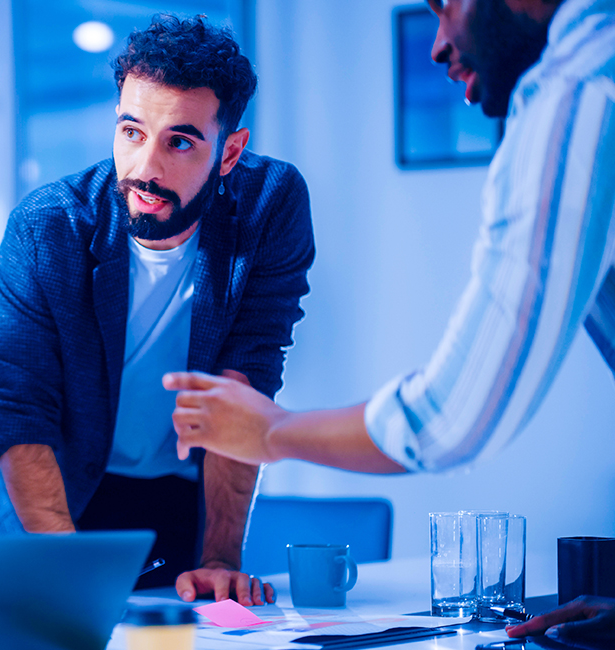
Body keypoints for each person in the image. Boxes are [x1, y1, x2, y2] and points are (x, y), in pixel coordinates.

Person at [165, 0, 615, 642]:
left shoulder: (579, 93)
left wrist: (272, 432)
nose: (437, 43)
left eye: (446, 4)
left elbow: (448, 420)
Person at [0, 14, 314, 605]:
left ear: (229, 152)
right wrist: (68, 573)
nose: (146, 167)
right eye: (132, 132)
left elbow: (244, 385)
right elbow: (21, 415)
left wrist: (220, 560)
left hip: (173, 500)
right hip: (43, 497)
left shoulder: (269, 207)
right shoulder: (47, 228)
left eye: (180, 141)